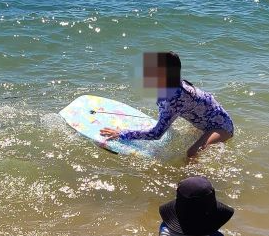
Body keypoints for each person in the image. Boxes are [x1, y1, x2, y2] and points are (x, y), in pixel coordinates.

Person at [99, 51, 234, 160]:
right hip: (208, 122)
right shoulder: (171, 85)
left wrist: (122, 134)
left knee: (191, 153)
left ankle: (188, 180)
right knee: (188, 140)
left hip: (222, 127)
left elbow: (156, 134)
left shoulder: (174, 97)